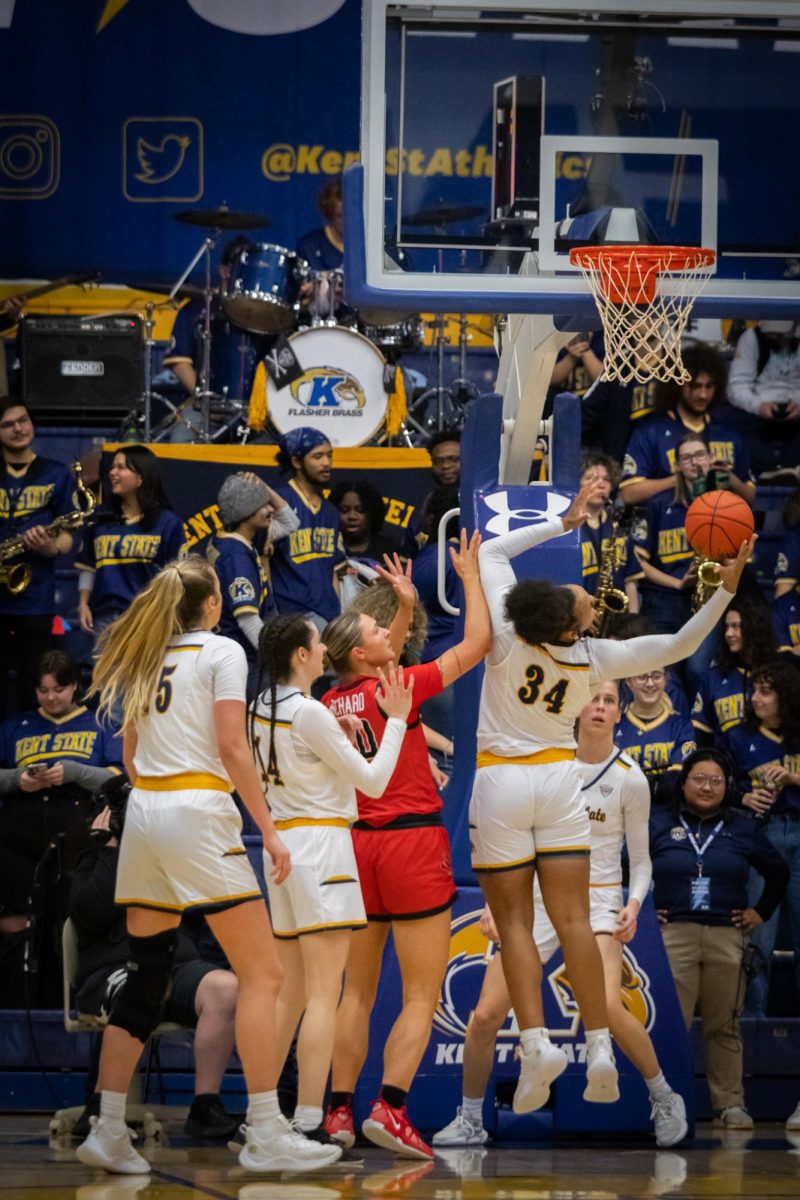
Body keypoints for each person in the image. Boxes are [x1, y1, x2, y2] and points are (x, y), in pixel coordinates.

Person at [469, 469, 752, 1118]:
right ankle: (597, 1046)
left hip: (503, 783)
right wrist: (724, 594)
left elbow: (488, 551)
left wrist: (562, 523)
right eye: (584, 601)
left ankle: (537, 1041)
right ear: (571, 625)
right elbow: (682, 644)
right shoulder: (593, 658)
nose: (588, 600)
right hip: (563, 782)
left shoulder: (510, 636)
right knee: (574, 921)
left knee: (514, 921)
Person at [75, 556, 341, 1175]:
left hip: (145, 811)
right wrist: (268, 830)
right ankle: (267, 1130)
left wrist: (159, 807)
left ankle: (108, 1127)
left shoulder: (148, 653)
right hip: (197, 807)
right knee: (265, 974)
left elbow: (131, 756)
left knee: (146, 974)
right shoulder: (222, 653)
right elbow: (230, 746)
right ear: (214, 604)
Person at [433, 681, 688, 1150]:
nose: (600, 706)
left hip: (598, 902)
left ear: (619, 714)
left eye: (610, 701)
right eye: (593, 698)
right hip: (535, 897)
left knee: (609, 1007)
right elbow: (512, 846)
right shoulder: (550, 765)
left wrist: (633, 905)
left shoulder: (630, 777)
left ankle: (664, 1096)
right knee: (486, 1015)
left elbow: (643, 859)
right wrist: (494, 902)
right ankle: (470, 1117)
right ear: (575, 707)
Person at [320, 530, 490, 1159]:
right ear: (364, 652)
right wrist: (470, 577)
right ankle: (390, 1109)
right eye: (376, 627)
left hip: (356, 846)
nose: (386, 630)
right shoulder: (401, 689)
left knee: (355, 994)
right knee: (420, 993)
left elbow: (388, 650)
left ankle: (338, 1112)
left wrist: (407, 605)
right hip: (412, 843)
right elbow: (476, 644)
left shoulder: (329, 700)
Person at [249, 611, 414, 1160]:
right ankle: (310, 1122)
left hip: (286, 849)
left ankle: (262, 1118)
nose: (324, 651)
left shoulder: (258, 707)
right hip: (323, 847)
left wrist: (330, 743)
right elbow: (372, 780)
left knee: (290, 994)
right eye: (317, 644)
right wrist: (394, 719)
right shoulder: (309, 711)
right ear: (300, 655)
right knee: (323, 994)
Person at [69, 804, 240, 1141]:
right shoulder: (91, 859)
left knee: (226, 988)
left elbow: (197, 907)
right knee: (138, 987)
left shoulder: (171, 858)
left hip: (177, 963)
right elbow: (91, 913)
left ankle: (205, 1105)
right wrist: (111, 852)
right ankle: (102, 1104)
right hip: (111, 971)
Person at [649, 748, 789, 1129]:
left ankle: (729, 1104)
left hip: (728, 936)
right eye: (699, 779)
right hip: (672, 933)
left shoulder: (742, 826)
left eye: (716, 781)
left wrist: (759, 912)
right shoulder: (659, 824)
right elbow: (629, 867)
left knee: (724, 1024)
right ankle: (665, 1103)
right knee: (670, 1024)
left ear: (727, 786)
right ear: (683, 783)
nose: (707, 787)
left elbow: (778, 872)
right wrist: (646, 911)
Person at [0, 651, 123, 1003]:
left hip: (77, 836)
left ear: (74, 686)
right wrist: (16, 779)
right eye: (43, 690)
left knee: (66, 929)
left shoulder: (99, 724)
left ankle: (69, 1010)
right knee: (17, 928)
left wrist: (75, 772)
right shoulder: (15, 727)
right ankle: (14, 1018)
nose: (51, 697)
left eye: (59, 689)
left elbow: (120, 777)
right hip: (19, 836)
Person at [721, 659, 800, 1017]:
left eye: (765, 692)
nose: (755, 698)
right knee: (756, 940)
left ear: (786, 697)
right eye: (754, 690)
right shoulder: (738, 736)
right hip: (760, 838)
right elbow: (714, 786)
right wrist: (744, 797)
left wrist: (794, 779)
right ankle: (752, 1029)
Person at [0, 398, 77, 719]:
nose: (18, 428)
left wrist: (49, 548)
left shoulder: (57, 473)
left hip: (36, 599)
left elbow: (69, 536)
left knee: (35, 687)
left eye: (23, 420)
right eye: (7, 424)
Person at [619, 343, 755, 508]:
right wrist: (680, 478)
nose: (703, 394)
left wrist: (729, 478)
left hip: (718, 527)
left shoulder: (728, 433)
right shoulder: (650, 432)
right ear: (677, 385)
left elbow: (752, 498)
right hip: (668, 528)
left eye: (709, 386)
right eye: (695, 386)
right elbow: (629, 493)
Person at [77, 446, 185, 640]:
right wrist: (83, 603)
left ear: (141, 477)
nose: (112, 472)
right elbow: (88, 567)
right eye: (112, 467)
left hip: (148, 617)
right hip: (105, 617)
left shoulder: (168, 522)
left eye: (121, 467)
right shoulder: (99, 519)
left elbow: (176, 576)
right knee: (108, 671)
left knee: (145, 672)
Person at [208, 472, 298, 690]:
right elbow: (247, 620)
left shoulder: (236, 538)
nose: (270, 509)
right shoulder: (236, 556)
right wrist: (276, 659)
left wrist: (262, 486)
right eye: (262, 505)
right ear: (245, 511)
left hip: (244, 654)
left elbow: (291, 523)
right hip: (246, 659)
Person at [269, 428, 344, 629]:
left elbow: (333, 572)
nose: (327, 463)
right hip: (292, 614)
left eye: (329, 455)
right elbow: (263, 559)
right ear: (296, 462)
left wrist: (339, 616)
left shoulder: (330, 511)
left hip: (328, 613)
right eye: (317, 456)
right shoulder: (279, 502)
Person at [692, 600, 779, 742]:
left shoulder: (778, 673)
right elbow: (700, 733)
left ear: (753, 628)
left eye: (735, 626)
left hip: (768, 759)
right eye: (726, 627)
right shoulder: (713, 677)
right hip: (724, 759)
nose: (729, 633)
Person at [726, 320, 800, 482]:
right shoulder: (751, 337)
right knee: (726, 420)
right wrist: (759, 406)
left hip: (796, 409)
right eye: (769, 333)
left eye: (778, 334)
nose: (772, 337)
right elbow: (737, 386)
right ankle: (771, 469)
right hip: (757, 409)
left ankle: (790, 467)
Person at [615, 668, 696, 796]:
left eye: (656, 676)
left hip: (666, 810)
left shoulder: (682, 727)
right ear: (628, 681)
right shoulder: (614, 725)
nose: (650, 683)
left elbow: (677, 780)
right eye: (642, 677)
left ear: (666, 679)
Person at [413, 429, 462, 544]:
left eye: (453, 459)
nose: (445, 466)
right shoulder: (427, 501)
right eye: (438, 461)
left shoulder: (479, 496)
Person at [296, 177, 344, 273]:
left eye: (352, 216)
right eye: (340, 216)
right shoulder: (309, 246)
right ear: (330, 215)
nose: (348, 222)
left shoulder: (370, 247)